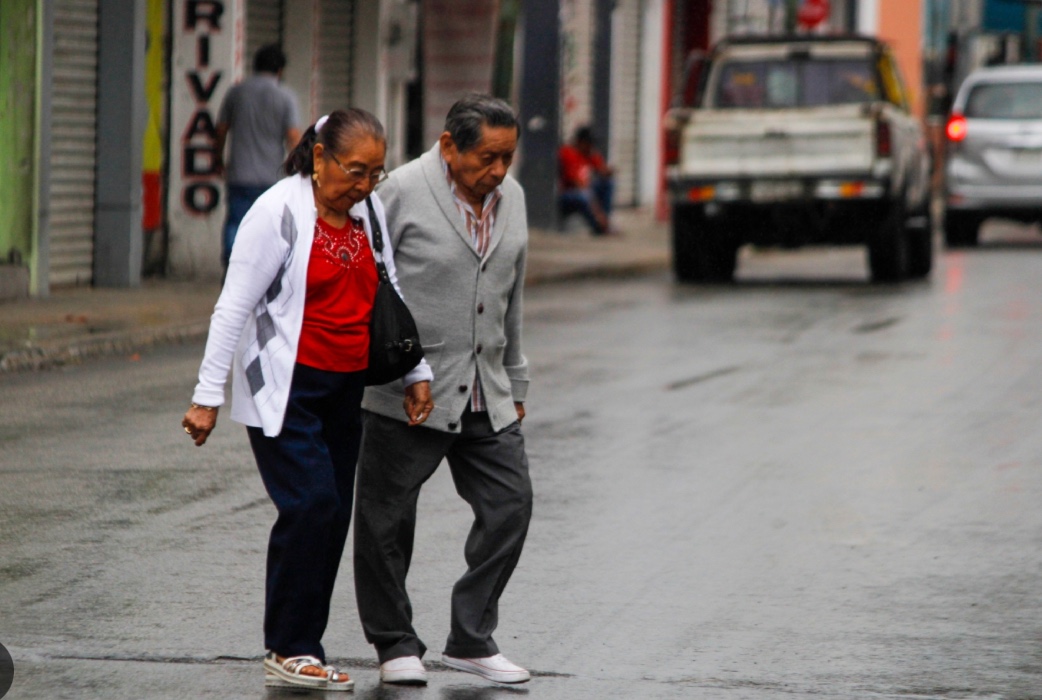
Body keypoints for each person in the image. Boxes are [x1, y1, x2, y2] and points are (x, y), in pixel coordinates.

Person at [182, 109, 434, 692]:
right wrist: (206, 397)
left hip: (347, 388)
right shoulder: (275, 214)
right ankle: (289, 646)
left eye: (376, 173)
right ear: (318, 158)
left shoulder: (366, 212)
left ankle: (303, 646)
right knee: (311, 505)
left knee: (332, 515)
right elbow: (233, 307)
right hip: (286, 387)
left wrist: (415, 368)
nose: (366, 185)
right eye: (354, 170)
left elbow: (389, 288)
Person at [353, 94, 533, 686]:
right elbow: (366, 288)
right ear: (450, 145)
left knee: (509, 505)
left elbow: (512, 297)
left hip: (487, 389)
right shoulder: (399, 193)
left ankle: (471, 639)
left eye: (507, 156)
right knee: (386, 521)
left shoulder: (515, 201)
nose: (499, 170)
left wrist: (518, 377)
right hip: (412, 390)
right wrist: (398, 369)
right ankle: (394, 643)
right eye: (488, 156)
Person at [215, 44, 302, 271]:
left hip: (239, 174)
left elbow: (221, 129)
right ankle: (261, 271)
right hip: (271, 177)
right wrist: (300, 168)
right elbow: (293, 136)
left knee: (236, 221)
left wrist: (217, 158)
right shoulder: (285, 97)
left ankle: (232, 268)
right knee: (268, 226)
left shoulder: (236, 92)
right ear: (280, 70)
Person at [558, 125, 615, 235]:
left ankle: (605, 222)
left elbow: (603, 171)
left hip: (586, 190)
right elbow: (577, 183)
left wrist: (607, 170)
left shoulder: (589, 154)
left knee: (607, 183)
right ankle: (600, 225)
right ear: (580, 142)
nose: (591, 147)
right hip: (569, 193)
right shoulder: (568, 153)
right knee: (584, 195)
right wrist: (598, 212)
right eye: (589, 143)